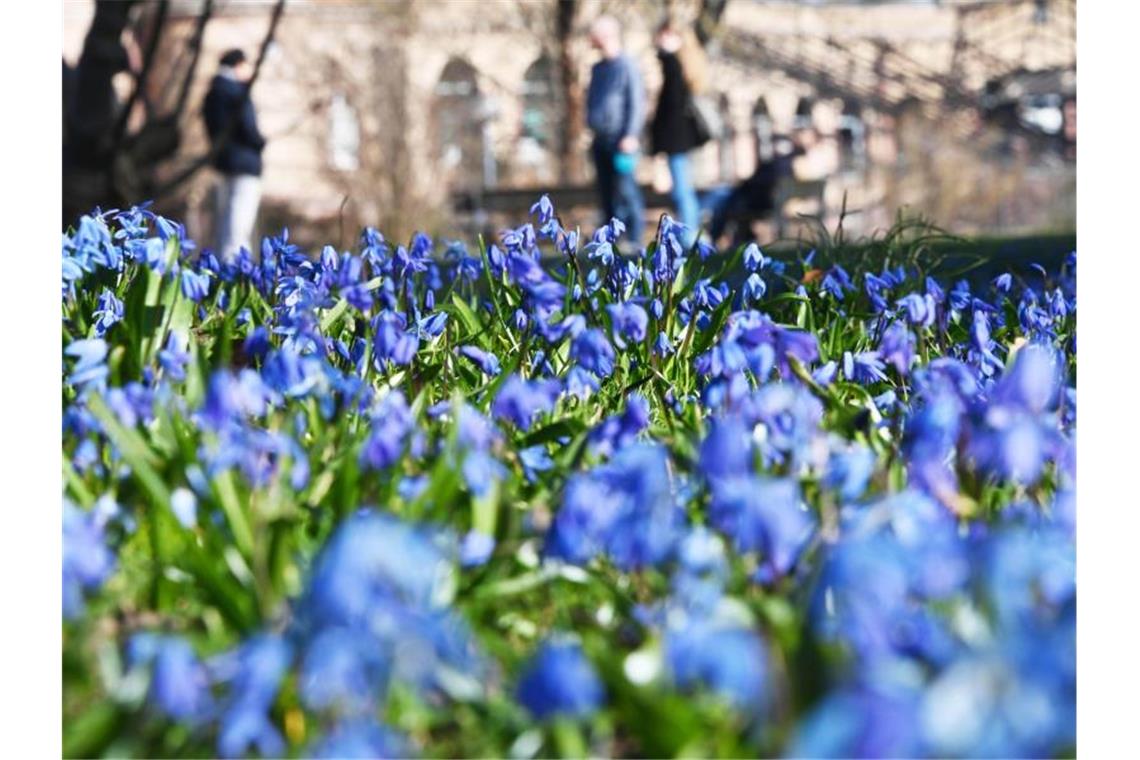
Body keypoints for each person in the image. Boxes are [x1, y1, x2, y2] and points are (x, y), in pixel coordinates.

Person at [586, 16, 645, 246]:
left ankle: (634, 240)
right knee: (606, 194)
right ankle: (611, 243)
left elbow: (637, 103)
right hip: (600, 139)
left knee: (627, 191)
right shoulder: (598, 69)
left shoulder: (627, 66)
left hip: (621, 141)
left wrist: (630, 134)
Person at [203, 49, 266, 261]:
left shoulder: (213, 93)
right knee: (238, 229)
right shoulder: (238, 93)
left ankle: (221, 269)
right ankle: (235, 275)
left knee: (223, 226)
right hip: (245, 165)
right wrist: (260, 142)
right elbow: (249, 129)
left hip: (223, 164)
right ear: (238, 65)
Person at [649, 20, 707, 246]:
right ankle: (690, 233)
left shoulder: (673, 65)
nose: (660, 39)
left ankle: (690, 235)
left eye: (665, 36)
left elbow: (670, 107)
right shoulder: (681, 65)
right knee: (684, 188)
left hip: (676, 140)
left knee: (682, 190)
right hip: (680, 139)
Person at [706, 133, 804, 245]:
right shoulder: (778, 166)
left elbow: (755, 183)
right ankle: (726, 239)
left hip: (760, 204)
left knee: (724, 203)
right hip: (757, 202)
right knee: (725, 201)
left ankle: (716, 239)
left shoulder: (778, 168)